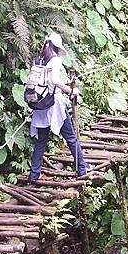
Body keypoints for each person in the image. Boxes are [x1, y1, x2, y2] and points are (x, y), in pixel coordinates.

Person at [28, 33, 89, 181]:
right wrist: (70, 90)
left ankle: (34, 174)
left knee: (41, 140)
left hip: (40, 105)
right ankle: (82, 168)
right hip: (53, 106)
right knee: (71, 137)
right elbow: (54, 80)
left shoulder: (39, 60)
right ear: (56, 47)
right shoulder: (54, 61)